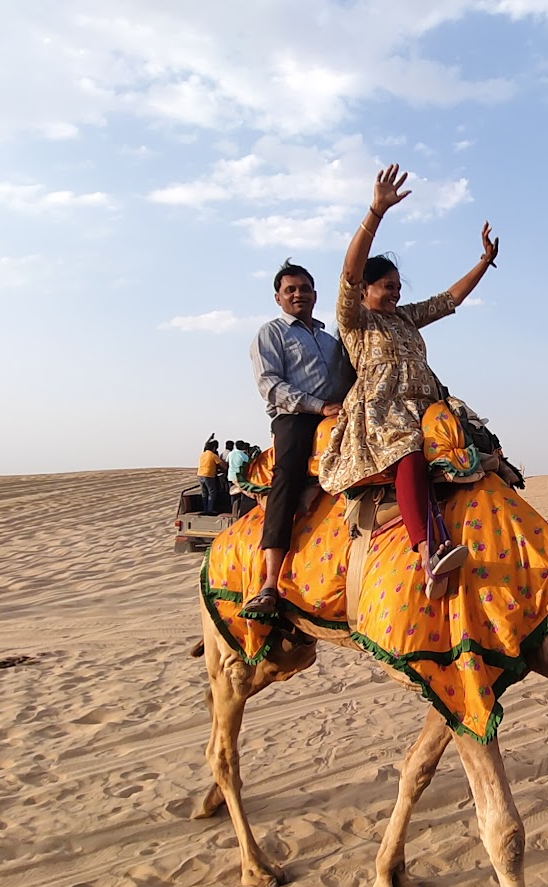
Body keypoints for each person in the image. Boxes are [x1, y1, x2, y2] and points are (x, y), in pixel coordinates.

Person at [316, 163, 498, 600]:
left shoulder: (404, 318)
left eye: (398, 286)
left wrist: (484, 263)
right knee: (409, 456)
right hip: (383, 410)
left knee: (486, 453)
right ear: (364, 291)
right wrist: (375, 213)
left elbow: (448, 300)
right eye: (386, 286)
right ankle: (428, 553)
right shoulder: (355, 319)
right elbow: (349, 272)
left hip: (428, 405)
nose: (395, 292)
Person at [245, 259, 349, 616]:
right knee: (286, 478)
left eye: (304, 288)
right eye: (290, 290)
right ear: (278, 297)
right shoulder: (271, 333)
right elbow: (269, 385)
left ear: (315, 294)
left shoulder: (329, 338)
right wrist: (318, 407)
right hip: (296, 418)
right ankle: (271, 582)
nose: (298, 294)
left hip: (339, 413)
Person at [197, 438, 223, 514]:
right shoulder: (213, 455)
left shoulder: (203, 454)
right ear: (214, 448)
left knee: (204, 493)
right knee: (212, 492)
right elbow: (222, 465)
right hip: (208, 475)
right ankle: (210, 509)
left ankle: (205, 509)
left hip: (200, 474)